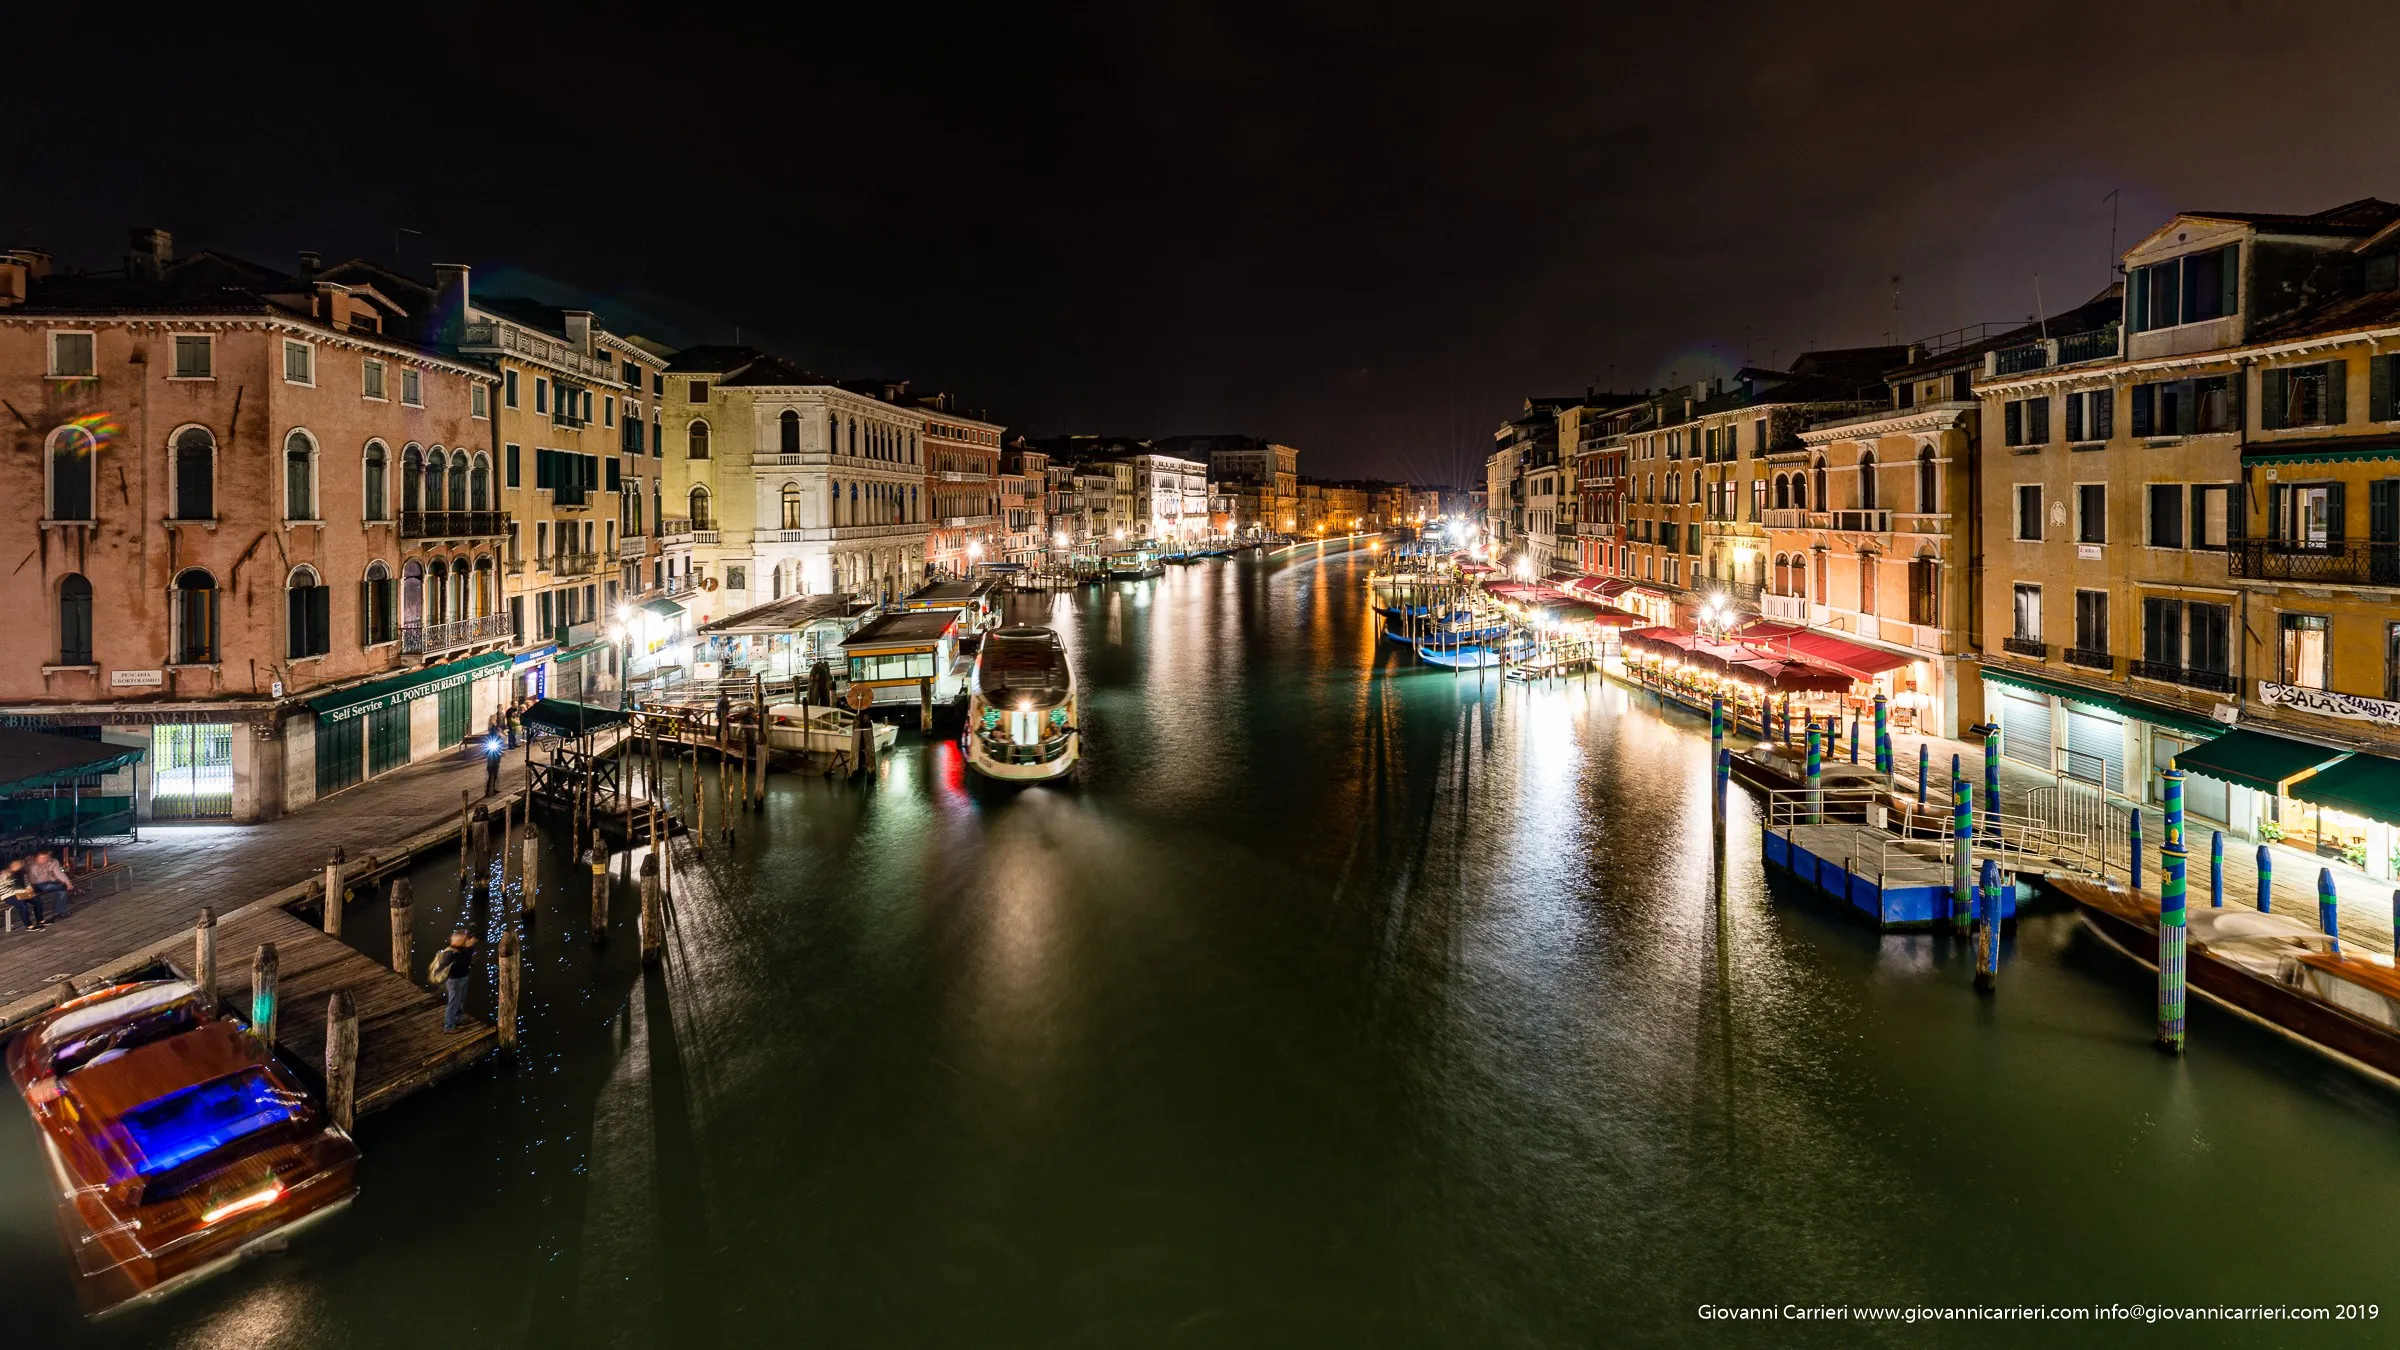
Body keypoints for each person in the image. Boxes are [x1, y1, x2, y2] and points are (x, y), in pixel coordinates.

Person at [431, 929, 476, 1032]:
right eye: (467, 939)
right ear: (461, 942)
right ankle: (448, 1026)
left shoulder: (464, 949)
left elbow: (468, 958)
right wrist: (438, 973)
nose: (470, 940)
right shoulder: (451, 954)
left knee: (461, 999)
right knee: (454, 1002)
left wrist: (469, 946)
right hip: (455, 981)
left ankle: (457, 1018)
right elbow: (463, 961)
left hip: (464, 977)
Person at [25, 849, 72, 922]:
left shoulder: (53, 862)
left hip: (51, 881)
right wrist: (48, 879)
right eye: (43, 858)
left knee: (62, 892)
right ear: (37, 858)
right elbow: (34, 880)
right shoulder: (32, 866)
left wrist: (68, 882)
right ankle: (63, 886)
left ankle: (61, 912)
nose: (46, 859)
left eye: (47, 857)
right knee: (51, 886)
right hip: (37, 884)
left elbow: (59, 873)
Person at [2, 859, 41, 931]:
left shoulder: (22, 872)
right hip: (8, 894)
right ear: (12, 865)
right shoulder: (6, 874)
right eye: (17, 864)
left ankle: (40, 920)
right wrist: (25, 890)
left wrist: (29, 888)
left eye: (20, 864)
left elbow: (26, 882)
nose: (19, 865)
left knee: (37, 901)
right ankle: (28, 925)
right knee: (23, 906)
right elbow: (12, 888)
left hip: (22, 892)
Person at [483, 725, 504, 797]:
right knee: (490, 776)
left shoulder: (498, 737)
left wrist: (500, 751)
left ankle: (494, 789)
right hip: (491, 761)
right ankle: (487, 791)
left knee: (495, 776)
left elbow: (501, 746)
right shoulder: (489, 738)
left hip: (496, 759)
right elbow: (485, 748)